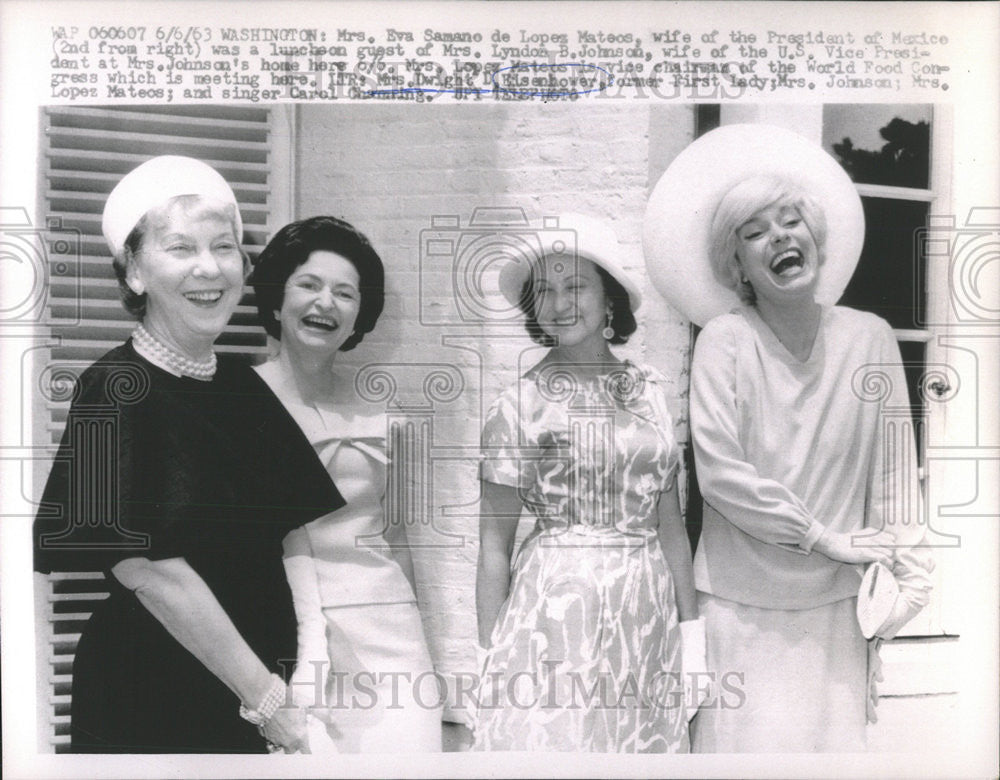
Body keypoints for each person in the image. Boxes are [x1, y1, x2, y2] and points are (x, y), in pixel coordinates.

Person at [34, 156, 343, 753]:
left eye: (224, 247)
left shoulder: (239, 383)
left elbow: (290, 534)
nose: (211, 268)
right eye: (180, 248)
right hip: (155, 690)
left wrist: (311, 662)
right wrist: (270, 703)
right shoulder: (111, 390)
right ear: (134, 274)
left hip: (258, 686)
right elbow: (148, 573)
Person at [643, 124, 934, 752]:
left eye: (789, 221)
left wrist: (908, 582)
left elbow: (893, 478)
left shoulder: (871, 339)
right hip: (738, 608)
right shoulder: (724, 341)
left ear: (815, 237)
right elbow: (721, 475)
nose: (778, 237)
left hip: (837, 609)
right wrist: (824, 538)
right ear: (739, 266)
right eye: (754, 232)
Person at [472, 213, 703, 752]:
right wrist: (487, 653)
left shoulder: (648, 393)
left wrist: (692, 636)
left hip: (645, 609)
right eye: (545, 291)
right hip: (557, 614)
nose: (559, 304)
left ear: (609, 299)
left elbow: (668, 525)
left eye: (575, 285)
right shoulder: (518, 406)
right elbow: (493, 546)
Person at [250, 216, 442, 753]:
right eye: (308, 284)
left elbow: (400, 541)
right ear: (276, 297)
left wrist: (418, 638)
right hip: (285, 636)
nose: (326, 303)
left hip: (390, 637)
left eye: (345, 292)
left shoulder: (387, 416)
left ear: (360, 313)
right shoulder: (233, 402)